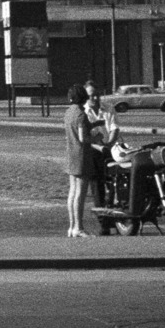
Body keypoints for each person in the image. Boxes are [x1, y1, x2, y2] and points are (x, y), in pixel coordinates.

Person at [63, 84, 101, 236]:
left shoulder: (68, 113)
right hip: (81, 156)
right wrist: (96, 138)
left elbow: (77, 129)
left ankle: (72, 227)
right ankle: (79, 227)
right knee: (80, 193)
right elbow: (83, 137)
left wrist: (94, 124)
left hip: (70, 154)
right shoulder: (81, 114)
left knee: (72, 192)